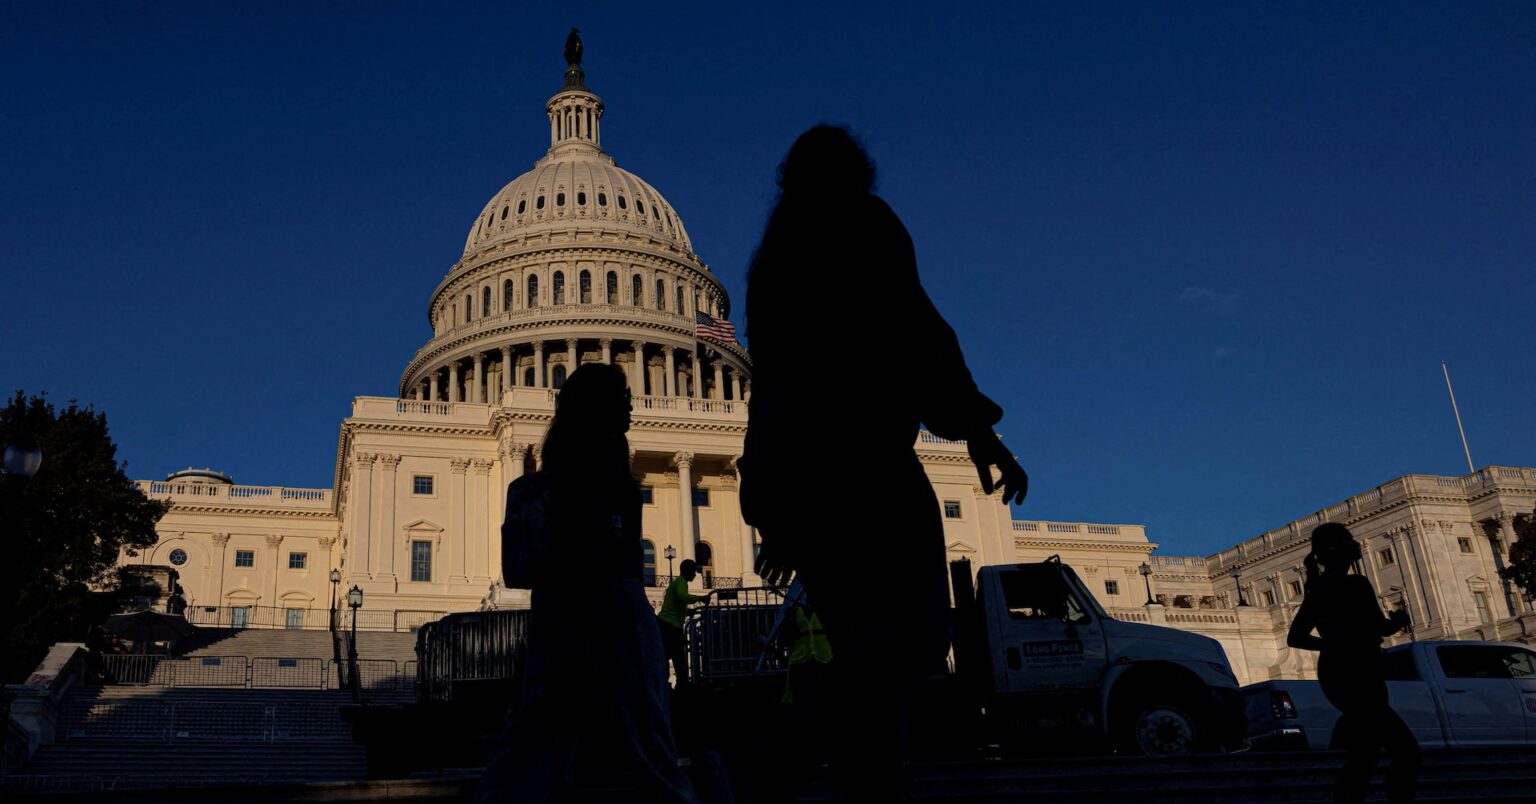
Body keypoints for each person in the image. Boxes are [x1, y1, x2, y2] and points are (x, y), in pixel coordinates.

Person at [739, 124, 1028, 802]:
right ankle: (788, 751)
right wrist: (979, 432)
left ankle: (835, 768)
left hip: (805, 475)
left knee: (866, 646)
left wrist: (775, 509)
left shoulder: (774, 254)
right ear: (857, 170)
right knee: (906, 644)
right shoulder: (862, 221)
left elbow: (771, 389)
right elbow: (919, 330)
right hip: (867, 465)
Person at [475, 364, 697, 804]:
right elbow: (628, 560)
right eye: (623, 399)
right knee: (647, 731)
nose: (633, 407)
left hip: (558, 615)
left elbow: (517, 570)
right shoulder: (617, 489)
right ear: (600, 410)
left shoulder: (527, 491)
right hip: (614, 615)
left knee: (537, 732)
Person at [1287, 522, 1419, 803]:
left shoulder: (1318, 588)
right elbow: (1378, 627)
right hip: (1361, 670)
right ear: (1345, 549)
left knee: (1366, 751)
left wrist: (1330, 645)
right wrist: (1397, 621)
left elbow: (1295, 637)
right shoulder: (1355, 584)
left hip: (1335, 672)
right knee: (1405, 750)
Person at [657, 559, 710, 687]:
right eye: (694, 571)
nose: (695, 574)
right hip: (671, 626)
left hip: (666, 624)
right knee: (678, 658)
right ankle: (683, 685)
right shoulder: (681, 582)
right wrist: (700, 598)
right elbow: (683, 597)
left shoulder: (677, 583)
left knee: (669, 656)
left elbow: (676, 606)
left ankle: (670, 684)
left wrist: (688, 612)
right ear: (688, 571)